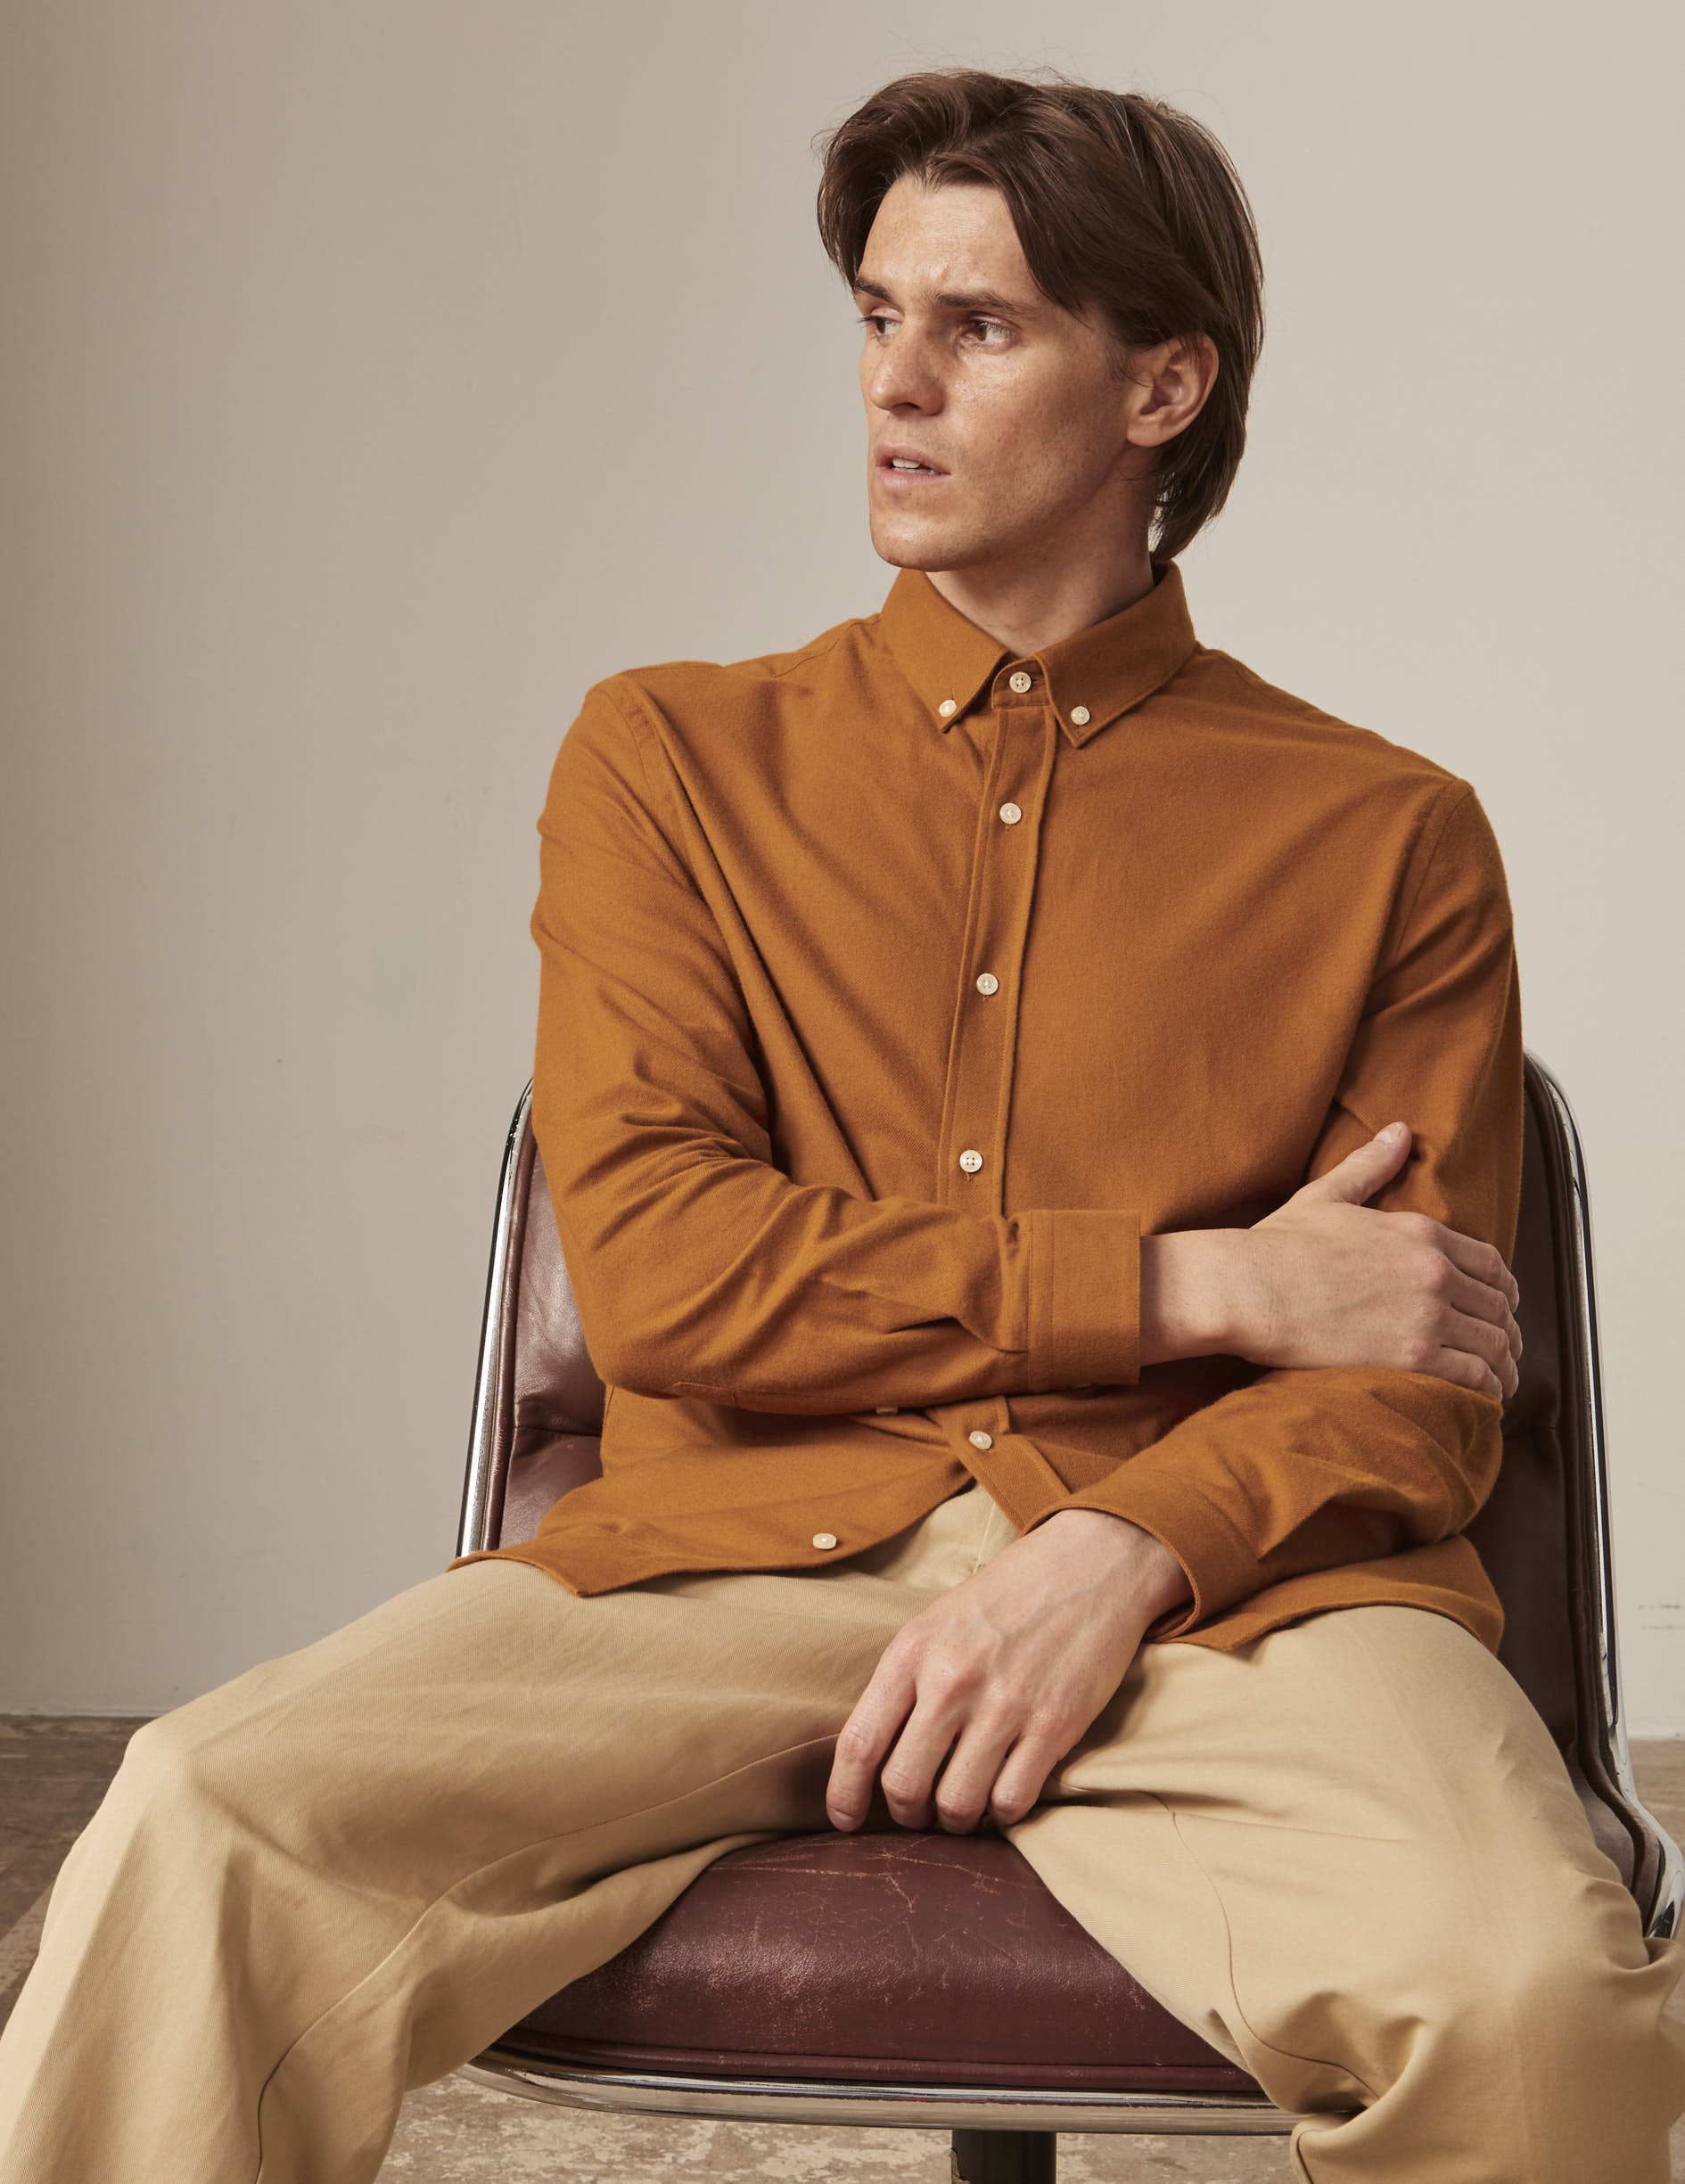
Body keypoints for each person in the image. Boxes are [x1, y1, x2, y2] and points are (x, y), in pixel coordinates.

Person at [1, 63, 1680, 2184]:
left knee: (1528, 1995)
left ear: (1163, 385)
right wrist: (1200, 1282)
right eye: (880, 316)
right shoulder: (667, 763)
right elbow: (668, 1277)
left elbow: (1411, 1389)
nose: (896, 381)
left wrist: (1115, 1552)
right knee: (203, 1818)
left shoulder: (1389, 833)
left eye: (979, 327)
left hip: (1233, 1600)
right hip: (733, 1558)